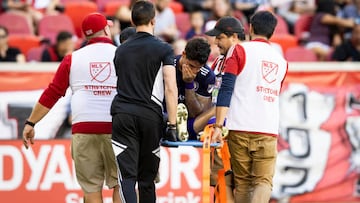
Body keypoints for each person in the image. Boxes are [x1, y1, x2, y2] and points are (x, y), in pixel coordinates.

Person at [22, 12, 121, 203]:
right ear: (106, 29)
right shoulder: (122, 54)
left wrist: (31, 122)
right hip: (117, 127)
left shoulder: (72, 58)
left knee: (91, 189)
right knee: (120, 184)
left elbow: (52, 93)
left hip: (83, 129)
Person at [211, 10, 288, 203]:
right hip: (267, 129)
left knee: (243, 183)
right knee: (263, 181)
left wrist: (218, 126)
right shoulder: (282, 61)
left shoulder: (239, 50)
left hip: (239, 127)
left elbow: (226, 88)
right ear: (273, 31)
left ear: (251, 28)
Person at [110, 1, 178, 203]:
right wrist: (172, 124)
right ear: (153, 20)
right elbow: (170, 87)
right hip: (150, 116)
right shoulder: (163, 49)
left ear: (132, 20)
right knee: (147, 179)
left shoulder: (120, 50)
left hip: (123, 115)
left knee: (127, 178)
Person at [205, 16, 246, 202]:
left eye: (220, 37)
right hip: (217, 130)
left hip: (235, 129)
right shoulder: (219, 61)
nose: (216, 42)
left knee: (232, 181)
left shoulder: (245, 57)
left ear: (233, 36)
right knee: (217, 181)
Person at [173, 37, 214, 141]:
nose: (194, 71)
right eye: (191, 66)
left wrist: (189, 84)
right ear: (183, 54)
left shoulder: (207, 75)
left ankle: (181, 129)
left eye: (198, 68)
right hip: (166, 116)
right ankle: (174, 126)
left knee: (216, 110)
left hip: (191, 124)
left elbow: (196, 114)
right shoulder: (168, 66)